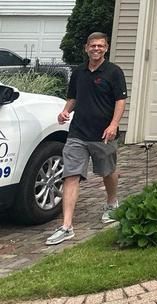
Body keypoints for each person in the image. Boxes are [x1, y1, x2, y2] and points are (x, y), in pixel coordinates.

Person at [45, 32, 127, 246]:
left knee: (108, 172)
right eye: (93, 46)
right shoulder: (79, 73)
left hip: (103, 135)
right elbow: (73, 97)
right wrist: (65, 112)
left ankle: (111, 203)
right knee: (70, 175)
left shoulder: (114, 72)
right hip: (77, 133)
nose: (96, 49)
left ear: (106, 48)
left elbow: (120, 101)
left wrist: (114, 125)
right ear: (86, 48)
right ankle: (66, 226)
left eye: (100, 46)